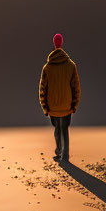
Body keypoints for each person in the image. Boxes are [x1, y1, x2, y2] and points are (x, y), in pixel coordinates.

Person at [39, 33, 80, 162]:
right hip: (67, 105)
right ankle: (65, 154)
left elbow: (42, 89)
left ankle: (58, 151)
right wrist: (75, 105)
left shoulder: (47, 68)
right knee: (65, 129)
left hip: (52, 106)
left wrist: (45, 107)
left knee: (57, 128)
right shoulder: (71, 65)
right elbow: (76, 88)